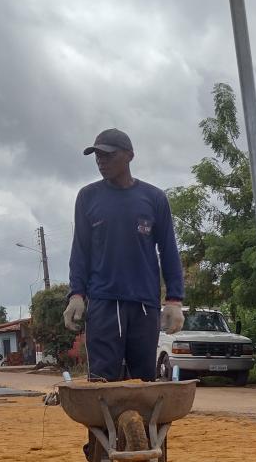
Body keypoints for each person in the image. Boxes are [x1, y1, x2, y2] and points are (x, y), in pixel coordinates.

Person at [63, 128, 184, 382]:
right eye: (97, 156)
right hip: (104, 303)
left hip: (144, 304)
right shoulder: (88, 197)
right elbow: (80, 250)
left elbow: (169, 250)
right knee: (102, 381)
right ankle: (103, 424)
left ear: (129, 156)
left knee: (143, 380)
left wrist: (174, 300)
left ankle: (143, 425)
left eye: (108, 155)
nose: (101, 161)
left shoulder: (153, 198)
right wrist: (76, 295)